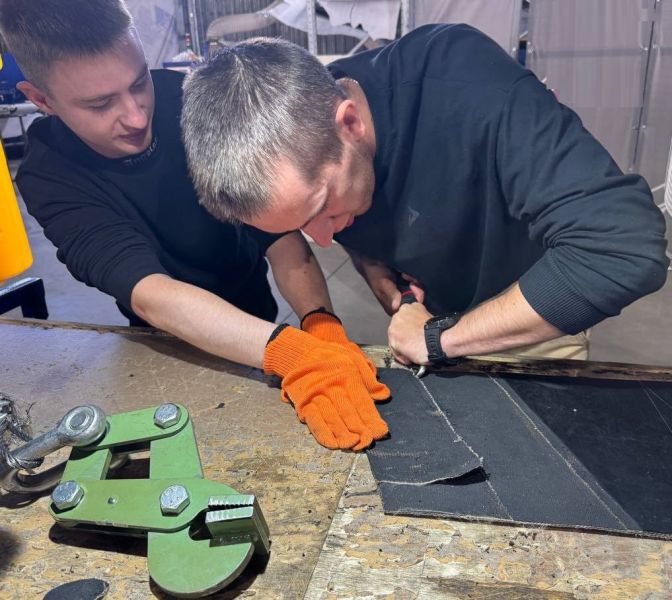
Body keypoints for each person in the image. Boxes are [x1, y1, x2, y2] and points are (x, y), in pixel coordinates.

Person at [0, 0, 390, 452]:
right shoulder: (50, 176)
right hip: (162, 344)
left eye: (138, 82)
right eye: (100, 104)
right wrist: (294, 354)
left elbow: (279, 236)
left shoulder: (193, 103)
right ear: (41, 100)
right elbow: (150, 293)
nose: (136, 116)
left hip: (257, 319)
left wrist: (319, 323)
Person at [180, 26, 669, 368]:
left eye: (321, 208)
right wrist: (372, 263)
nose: (322, 242)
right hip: (426, 321)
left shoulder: (468, 86)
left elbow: (624, 249)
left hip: (532, 321)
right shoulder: (310, 125)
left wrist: (441, 339)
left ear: (350, 123)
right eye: (300, 226)